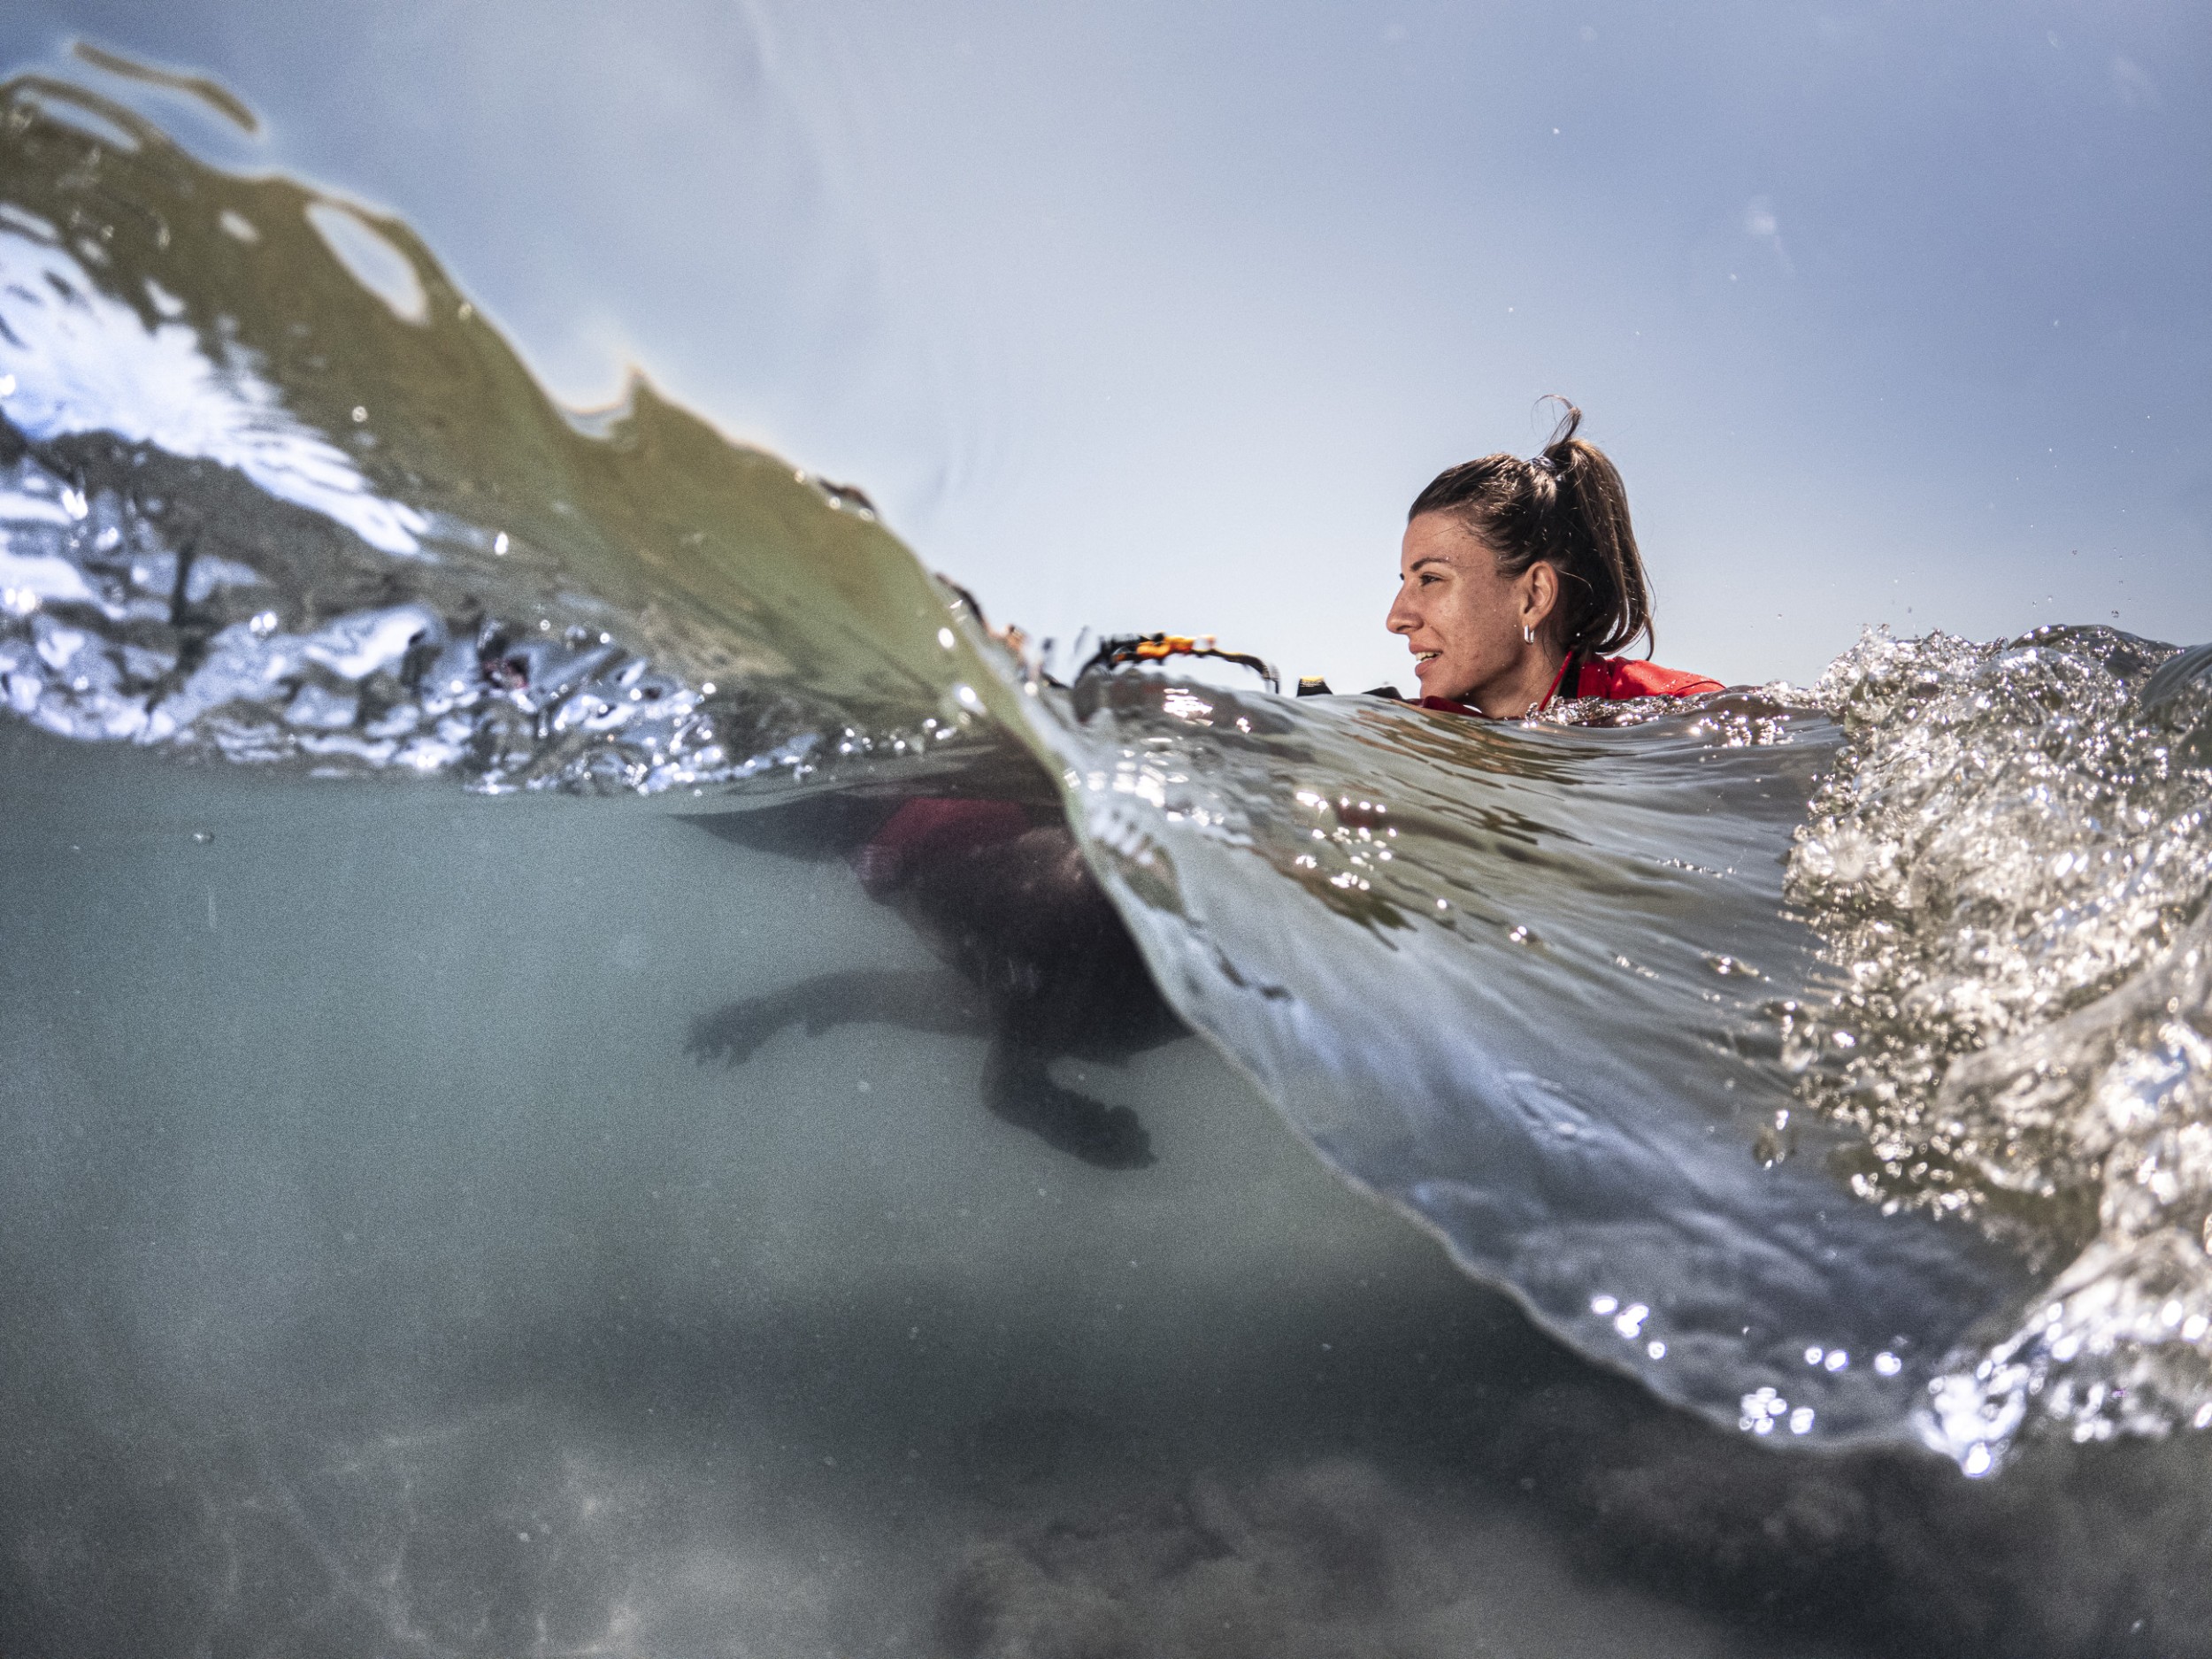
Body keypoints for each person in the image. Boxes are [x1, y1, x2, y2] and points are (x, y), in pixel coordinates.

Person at [1385, 403, 1721, 717]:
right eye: (1406, 582)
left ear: (1535, 595)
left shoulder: (1680, 715)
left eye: (1430, 578)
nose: (1396, 619)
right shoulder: (1411, 736)